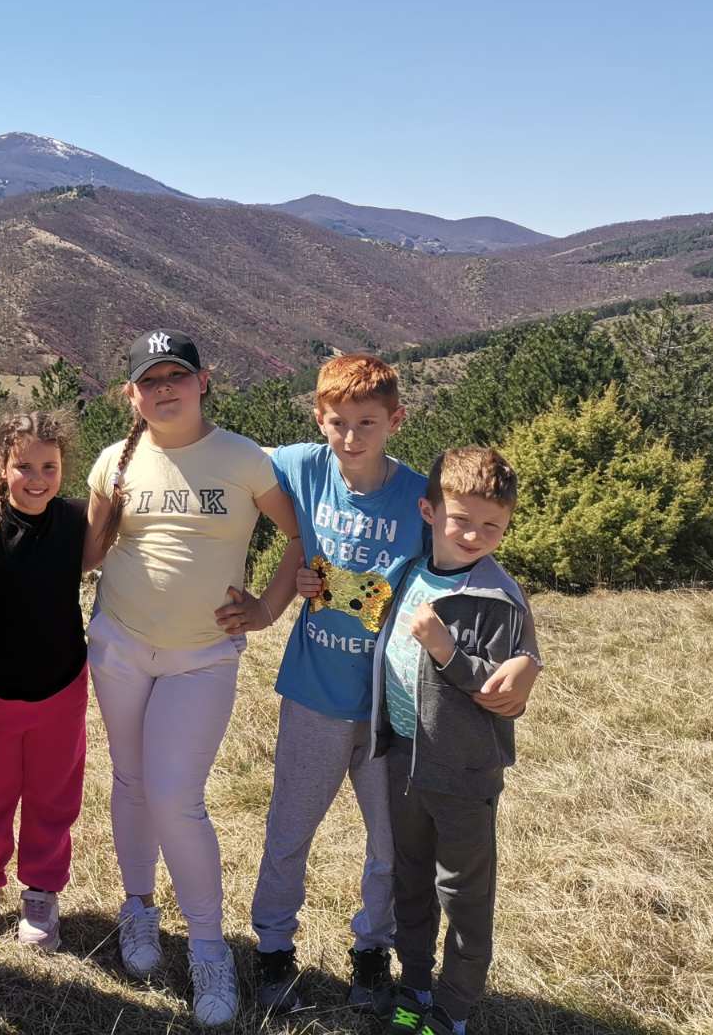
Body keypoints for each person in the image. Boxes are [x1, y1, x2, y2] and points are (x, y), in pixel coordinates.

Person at [252, 354, 540, 1016]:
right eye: (338, 422)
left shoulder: (420, 497)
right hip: (315, 695)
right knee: (288, 832)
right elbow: (229, 456)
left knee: (390, 849)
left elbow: (485, 577)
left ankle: (372, 951)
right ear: (318, 419)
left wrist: (529, 658)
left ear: (396, 420)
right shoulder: (305, 467)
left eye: (367, 423)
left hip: (394, 717)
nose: (351, 437)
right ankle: (272, 947)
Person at [86, 329, 304, 1028]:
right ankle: (139, 907)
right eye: (150, 381)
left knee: (176, 796)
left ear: (203, 381)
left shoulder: (243, 459)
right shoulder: (114, 463)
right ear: (131, 394)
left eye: (176, 376)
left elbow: (298, 534)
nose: (164, 390)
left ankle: (209, 945)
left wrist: (267, 609)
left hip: (202, 656)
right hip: (120, 646)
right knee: (130, 780)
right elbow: (87, 552)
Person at [371, 448, 541, 1035]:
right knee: (410, 881)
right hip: (403, 757)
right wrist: (316, 584)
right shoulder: (407, 573)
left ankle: (454, 1008)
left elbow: (498, 690)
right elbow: (370, 616)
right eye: (461, 519)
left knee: (463, 894)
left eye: (492, 525)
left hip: (463, 773)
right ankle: (414, 986)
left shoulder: (497, 596)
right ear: (429, 511)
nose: (475, 535)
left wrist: (446, 651)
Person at [0, 410, 96, 955]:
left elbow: (132, 506)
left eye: (49, 467)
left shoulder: (76, 520)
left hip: (60, 687)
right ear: (1, 466)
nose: (37, 478)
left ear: (63, 468)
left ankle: (42, 892)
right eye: (24, 466)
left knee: (53, 796)